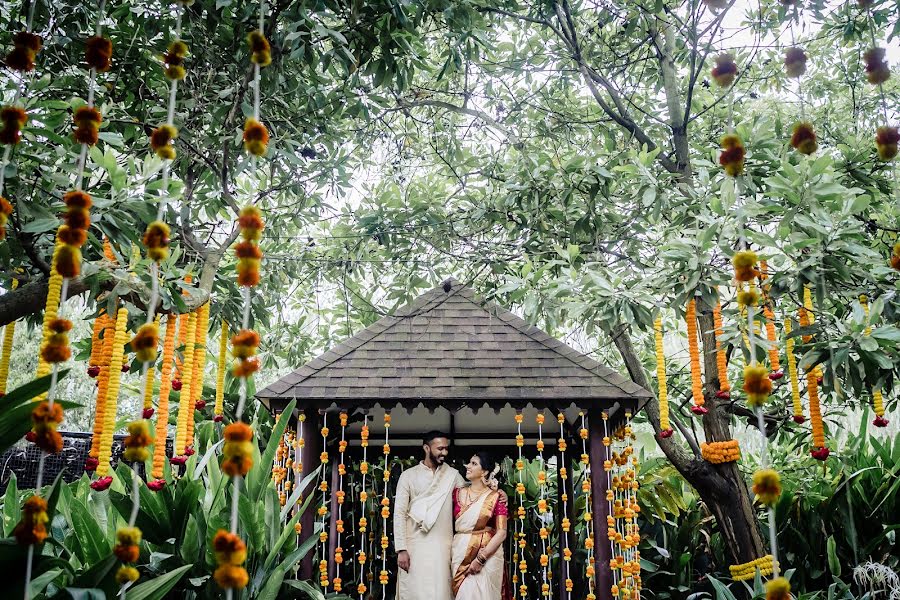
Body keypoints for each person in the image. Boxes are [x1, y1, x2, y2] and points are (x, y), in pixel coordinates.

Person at [394, 430, 465, 600]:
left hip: (443, 546)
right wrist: (401, 549)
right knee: (414, 591)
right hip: (414, 547)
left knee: (441, 591)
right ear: (426, 448)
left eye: (446, 449)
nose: (444, 453)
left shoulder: (452, 476)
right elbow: (399, 514)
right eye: (440, 448)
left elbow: (472, 497)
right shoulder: (408, 476)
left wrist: (497, 494)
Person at [451, 452, 510, 600]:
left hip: (488, 556)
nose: (468, 466)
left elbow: (502, 532)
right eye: (469, 462)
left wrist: (480, 559)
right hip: (460, 551)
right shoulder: (456, 493)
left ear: (484, 472)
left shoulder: (496, 497)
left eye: (474, 464)